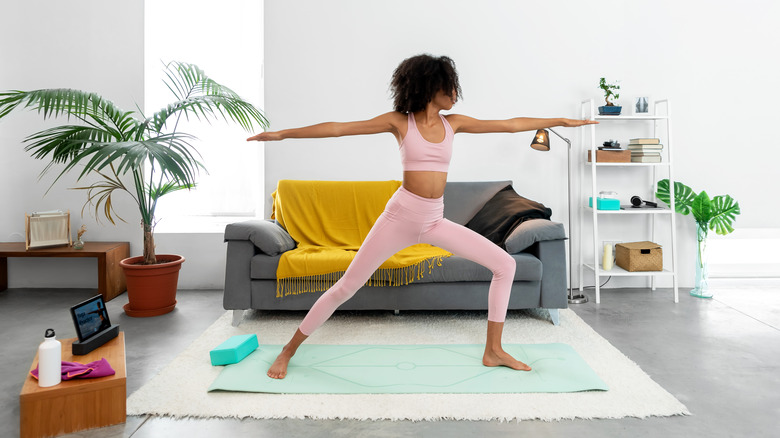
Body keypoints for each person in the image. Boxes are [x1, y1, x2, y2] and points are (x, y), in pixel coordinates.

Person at [247, 54, 598, 379]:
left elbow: (508, 124)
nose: (456, 94)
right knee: (345, 288)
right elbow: (339, 128)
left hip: (434, 220)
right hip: (399, 218)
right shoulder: (400, 123)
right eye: (451, 87)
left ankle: (493, 350)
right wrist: (281, 134)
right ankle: (288, 350)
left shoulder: (454, 124)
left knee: (505, 265)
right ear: (432, 87)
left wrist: (560, 121)